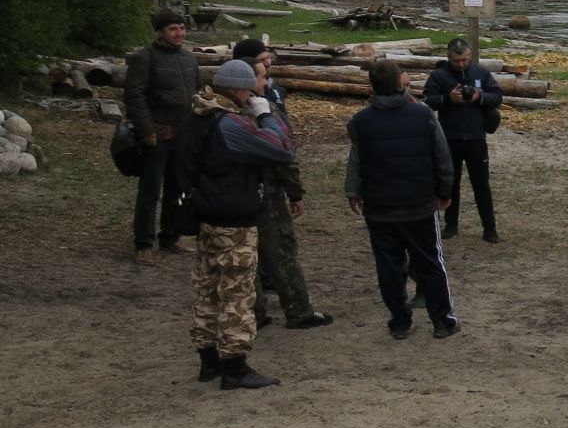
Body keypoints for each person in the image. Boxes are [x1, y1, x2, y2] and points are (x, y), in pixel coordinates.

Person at [170, 59, 298, 389]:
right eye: (256, 87)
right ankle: (235, 366)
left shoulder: (194, 119)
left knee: (207, 290)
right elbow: (282, 149)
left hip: (205, 216)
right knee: (237, 294)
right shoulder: (228, 124)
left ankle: (208, 360)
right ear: (241, 91)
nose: (261, 90)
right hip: (234, 219)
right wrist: (266, 114)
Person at [346, 60, 460, 340]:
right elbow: (442, 157)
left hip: (380, 206)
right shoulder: (422, 115)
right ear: (400, 82)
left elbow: (356, 160)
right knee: (431, 262)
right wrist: (445, 193)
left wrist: (354, 190)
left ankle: (399, 320)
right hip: (418, 204)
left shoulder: (360, 121)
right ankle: (442, 320)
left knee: (388, 266)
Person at [232, 38, 331, 329]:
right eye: (262, 73)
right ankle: (298, 310)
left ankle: (256, 312)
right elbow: (283, 152)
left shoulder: (219, 113)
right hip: (268, 191)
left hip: (236, 193)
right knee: (282, 252)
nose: (267, 77)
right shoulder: (263, 113)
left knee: (245, 255)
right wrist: (295, 192)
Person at [126, 10, 200, 264]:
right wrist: (146, 130)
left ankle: (170, 236)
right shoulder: (144, 58)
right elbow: (135, 97)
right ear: (160, 32)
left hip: (183, 136)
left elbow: (195, 94)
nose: (179, 33)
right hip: (157, 135)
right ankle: (143, 243)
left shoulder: (189, 58)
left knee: (177, 189)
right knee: (150, 192)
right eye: (173, 29)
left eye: (182, 28)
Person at [421, 38, 503, 242]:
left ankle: (489, 228)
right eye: (457, 61)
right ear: (449, 57)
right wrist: (447, 99)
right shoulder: (439, 76)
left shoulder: (481, 73)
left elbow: (497, 96)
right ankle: (451, 225)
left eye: (464, 60)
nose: (461, 64)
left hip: (476, 137)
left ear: (469, 56)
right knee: (450, 184)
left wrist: (479, 97)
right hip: (450, 137)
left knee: (481, 184)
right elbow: (428, 102)